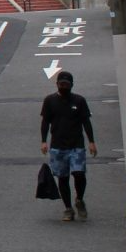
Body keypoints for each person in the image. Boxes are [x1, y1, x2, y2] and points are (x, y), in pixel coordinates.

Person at [40, 69, 96, 222]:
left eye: (66, 84)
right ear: (57, 84)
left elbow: (86, 121)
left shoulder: (79, 101)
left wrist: (91, 141)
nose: (64, 86)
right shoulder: (49, 101)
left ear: (72, 85)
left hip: (76, 144)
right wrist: (44, 141)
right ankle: (68, 208)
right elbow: (45, 122)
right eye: (61, 84)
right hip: (58, 146)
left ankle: (79, 199)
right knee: (62, 178)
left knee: (79, 174)